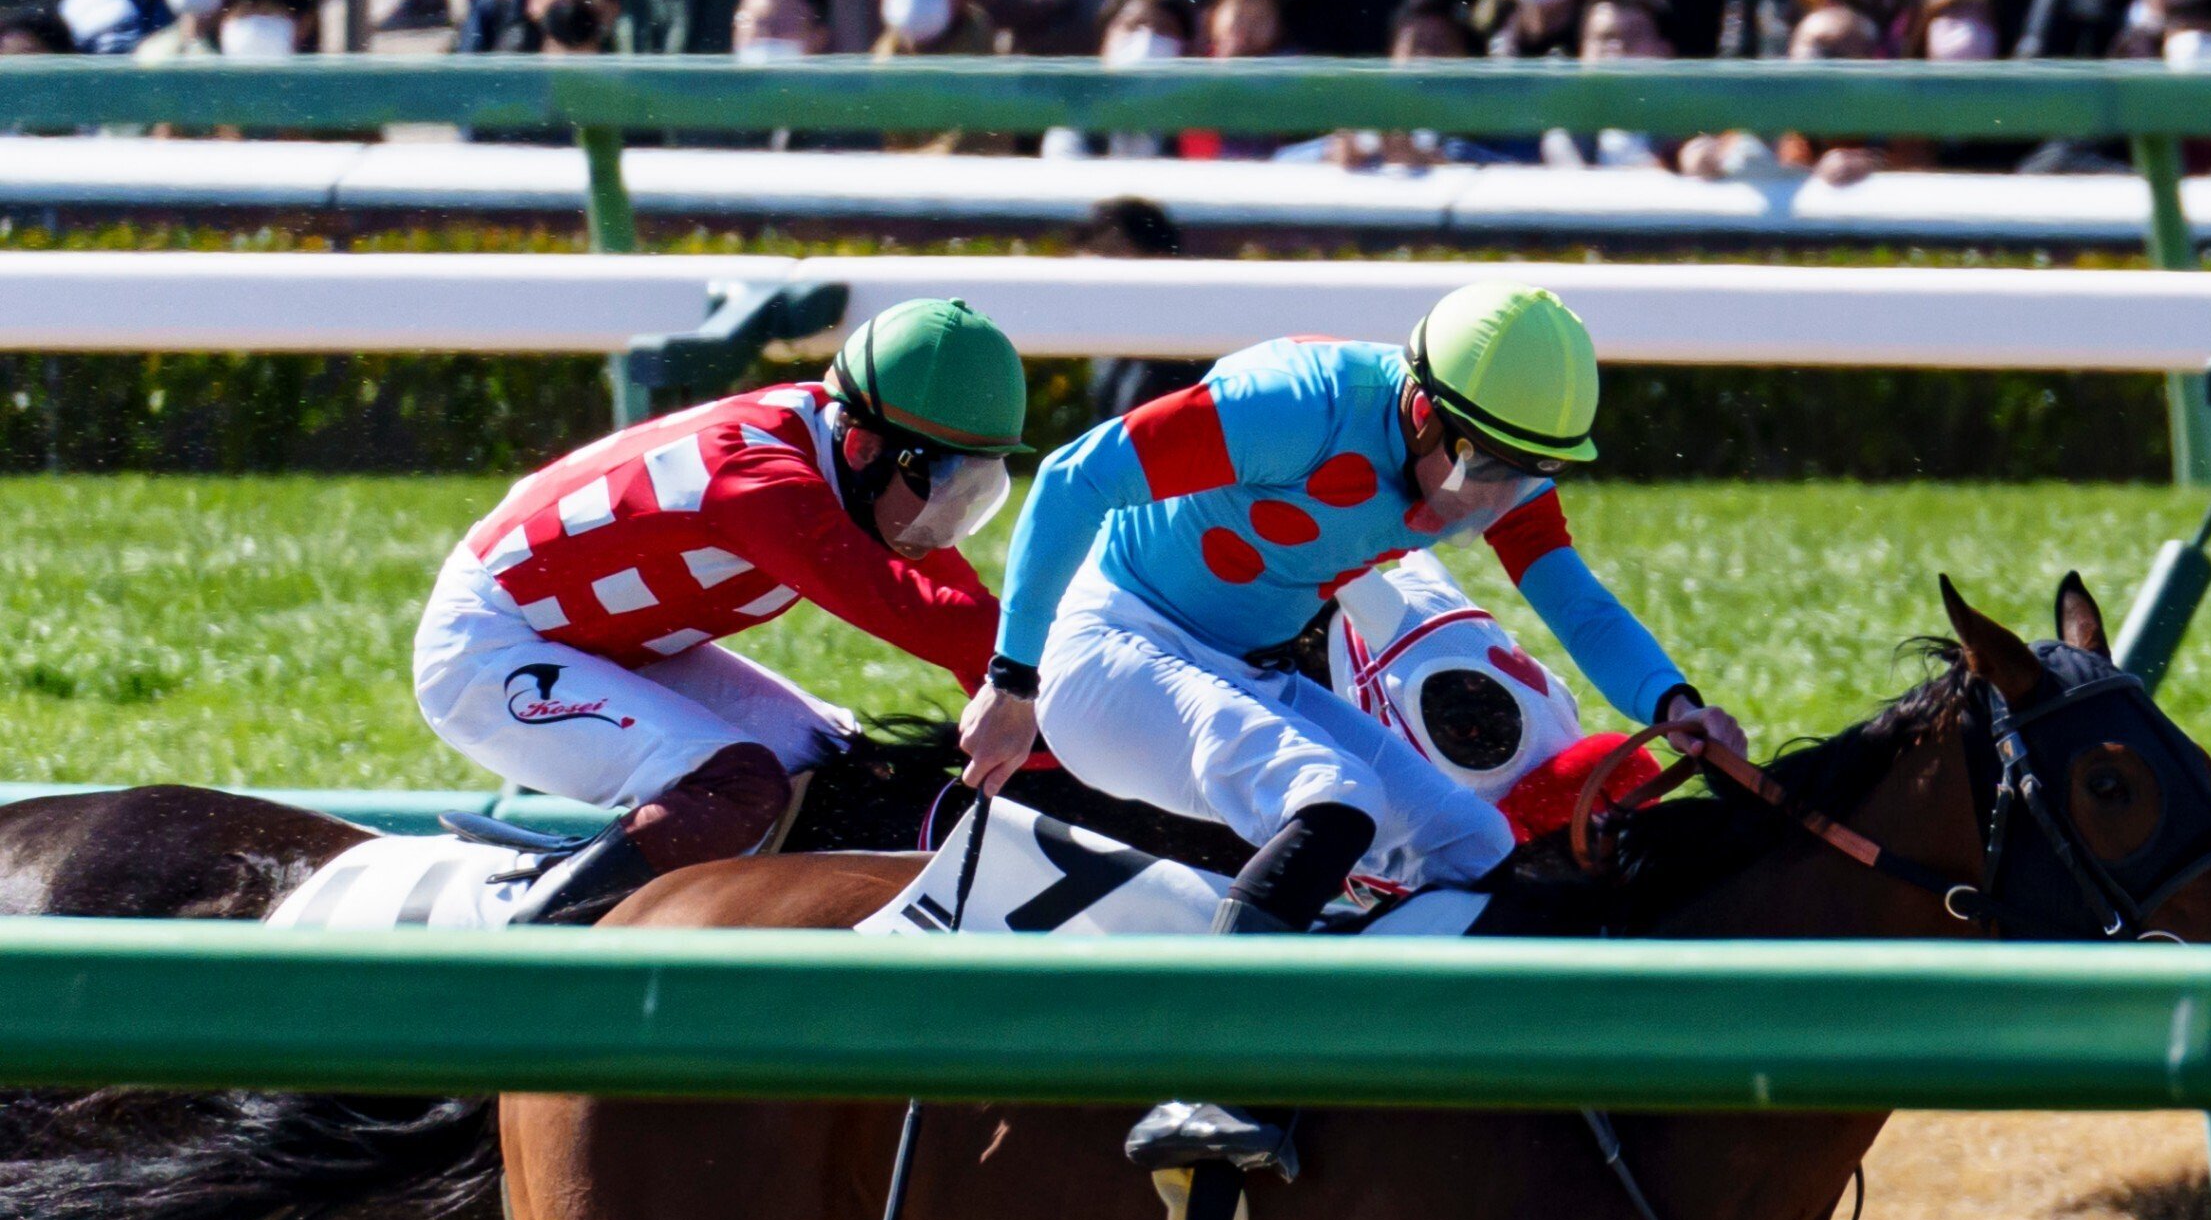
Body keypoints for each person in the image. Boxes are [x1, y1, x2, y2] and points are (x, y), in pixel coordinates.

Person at [961, 283, 1745, 967]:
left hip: (1246, 669)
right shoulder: (1298, 407)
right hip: (1109, 652)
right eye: (1484, 466)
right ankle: (1209, 1083)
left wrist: (1673, 705)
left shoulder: (1499, 453)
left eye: (1530, 474)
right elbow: (1073, 478)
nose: (1494, 500)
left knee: (1473, 843)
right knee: (1335, 799)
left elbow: (1577, 602)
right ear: (1418, 407)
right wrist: (1011, 681)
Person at [414, 299, 1030, 927]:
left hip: (601, 640)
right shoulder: (762, 482)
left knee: (836, 766)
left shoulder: (845, 448)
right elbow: (931, 618)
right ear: (865, 448)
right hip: (488, 647)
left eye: (975, 488)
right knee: (741, 786)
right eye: (944, 480)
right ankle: (526, 953)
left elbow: (976, 624)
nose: (944, 522)